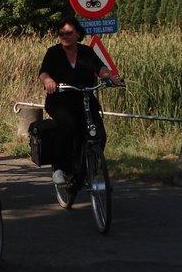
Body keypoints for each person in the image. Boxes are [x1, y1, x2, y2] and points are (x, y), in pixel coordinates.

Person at [38, 15, 123, 185]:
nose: (64, 36)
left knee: (99, 133)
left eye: (69, 33)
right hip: (60, 101)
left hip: (84, 99)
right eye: (61, 33)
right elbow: (44, 72)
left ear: (78, 34)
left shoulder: (87, 52)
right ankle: (61, 169)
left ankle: (92, 166)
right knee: (67, 126)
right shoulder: (53, 52)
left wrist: (110, 77)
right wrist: (48, 81)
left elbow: (101, 68)